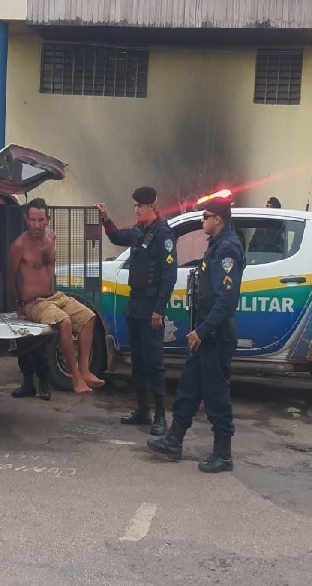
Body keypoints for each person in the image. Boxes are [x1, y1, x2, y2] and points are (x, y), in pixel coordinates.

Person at [147, 195, 244, 473]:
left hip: (215, 337)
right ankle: (174, 441)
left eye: (205, 216)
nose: (202, 221)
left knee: (217, 395)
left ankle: (223, 455)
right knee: (189, 388)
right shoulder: (216, 246)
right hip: (203, 336)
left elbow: (226, 301)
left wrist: (202, 330)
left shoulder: (227, 250)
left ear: (218, 219)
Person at [95, 186, 176, 436]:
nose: (136, 210)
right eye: (135, 206)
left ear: (152, 206)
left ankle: (160, 415)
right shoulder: (139, 231)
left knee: (155, 363)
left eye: (139, 206)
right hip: (135, 304)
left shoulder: (164, 234)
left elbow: (169, 274)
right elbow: (118, 237)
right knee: (138, 362)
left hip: (152, 307)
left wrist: (159, 309)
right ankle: (142, 410)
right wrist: (106, 220)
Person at [9, 198, 105, 395]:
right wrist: (19, 305)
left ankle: (85, 370)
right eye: (32, 220)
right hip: (34, 302)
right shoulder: (19, 245)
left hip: (55, 296)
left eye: (40, 220)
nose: (36, 225)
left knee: (89, 317)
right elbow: (11, 276)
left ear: (48, 219)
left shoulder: (52, 237)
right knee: (65, 322)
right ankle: (76, 378)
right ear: (26, 219)